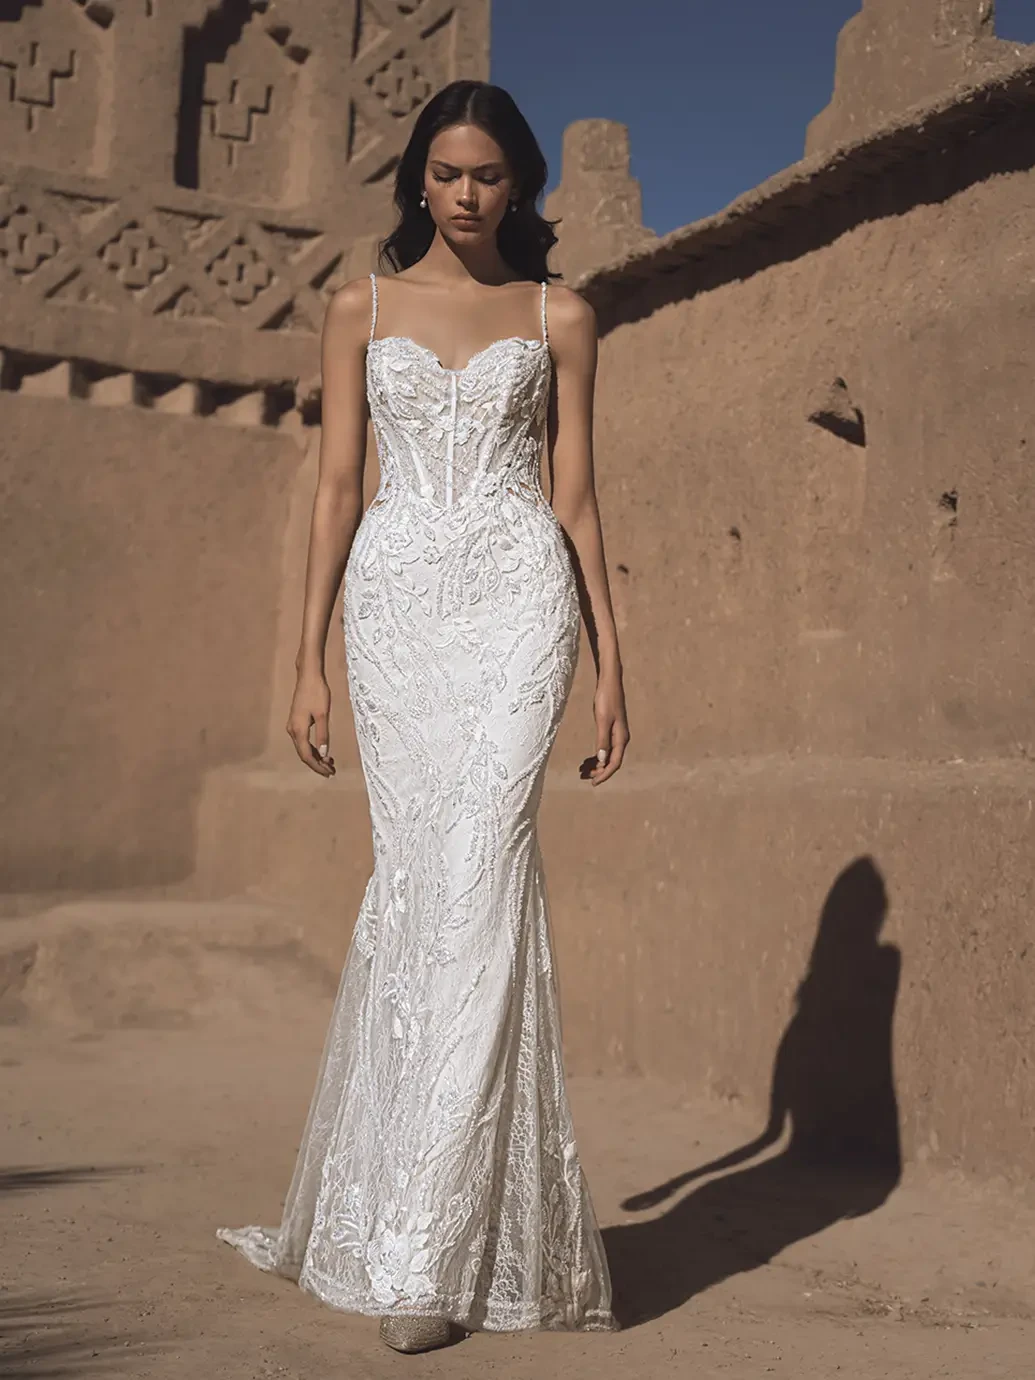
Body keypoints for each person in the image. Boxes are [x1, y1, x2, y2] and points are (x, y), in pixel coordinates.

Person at [216, 78, 630, 1354]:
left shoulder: (562, 314)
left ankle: (430, 1258)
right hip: (395, 611)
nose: (465, 194)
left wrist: (615, 661)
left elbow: (575, 500)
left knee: (484, 884)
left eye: (489, 175)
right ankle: (404, 1214)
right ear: (417, 180)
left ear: (521, 188)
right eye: (446, 173)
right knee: (419, 897)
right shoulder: (361, 308)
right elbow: (337, 489)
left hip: (516, 605)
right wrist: (304, 658)